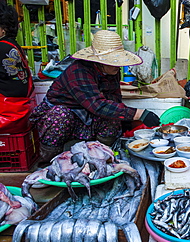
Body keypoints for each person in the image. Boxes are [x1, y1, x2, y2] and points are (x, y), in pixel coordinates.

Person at [30, 30, 160, 164]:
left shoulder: (112, 71)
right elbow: (98, 105)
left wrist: (128, 123)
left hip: (87, 117)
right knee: (61, 115)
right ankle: (50, 162)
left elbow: (114, 101)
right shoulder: (78, 71)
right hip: (63, 118)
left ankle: (101, 156)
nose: (119, 66)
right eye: (114, 61)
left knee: (113, 118)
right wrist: (139, 114)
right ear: (99, 61)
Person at [0, 1, 34, 134]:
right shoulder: (12, 45)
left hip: (7, 117)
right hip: (20, 114)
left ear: (4, 28)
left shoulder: (2, 48)